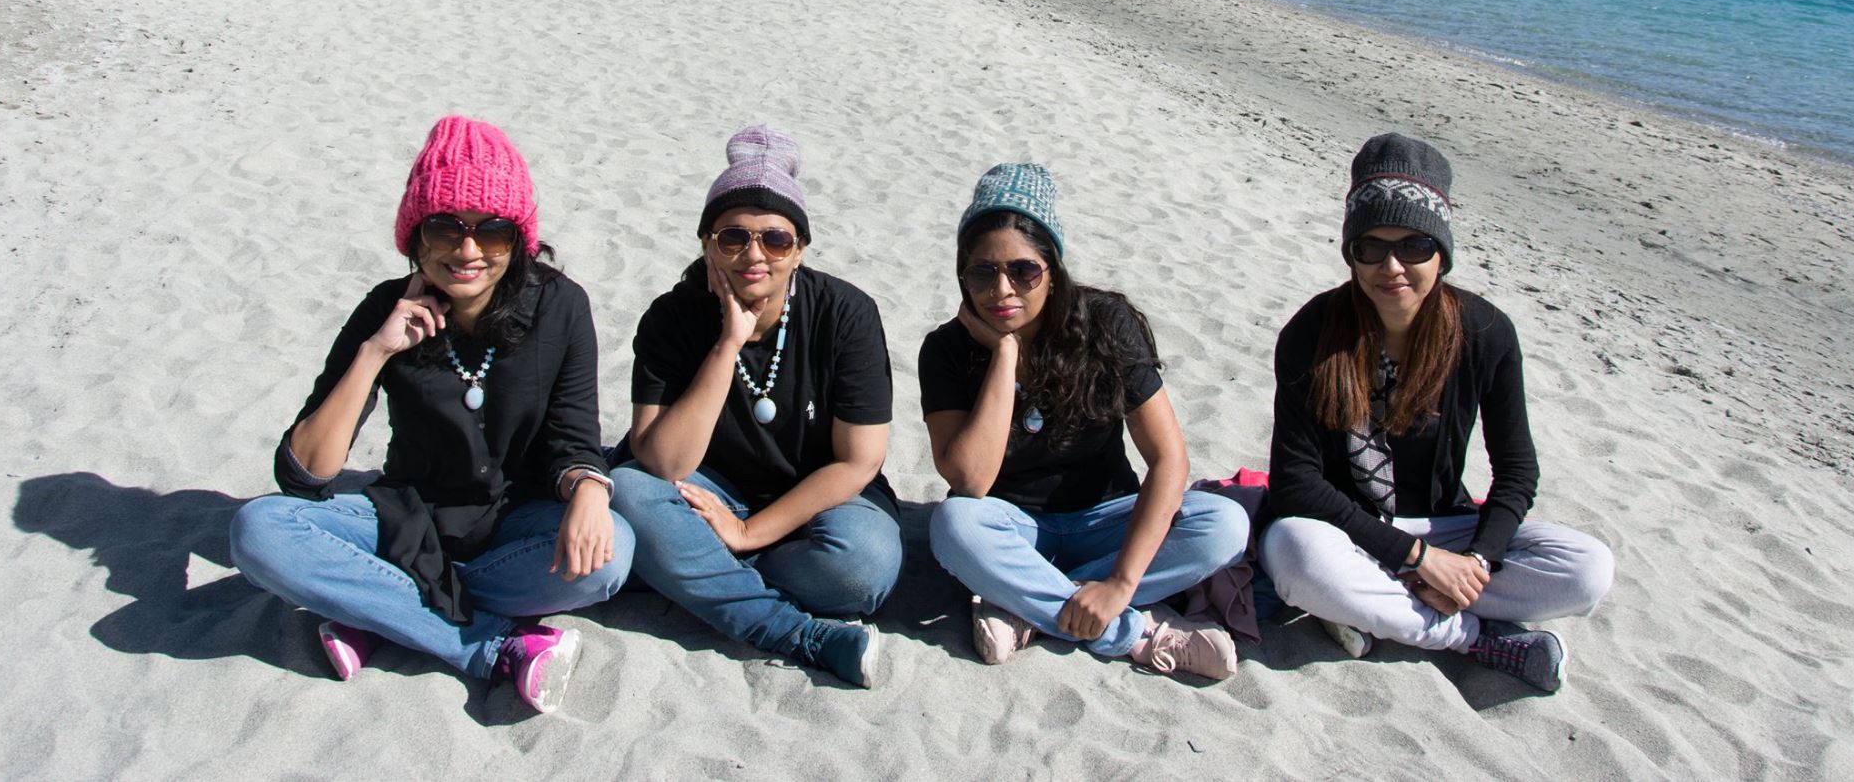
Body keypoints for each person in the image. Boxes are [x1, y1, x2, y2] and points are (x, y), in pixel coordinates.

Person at [229, 116, 631, 714]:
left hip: (516, 519)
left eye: (491, 231)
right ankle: (492, 646)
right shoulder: (384, 308)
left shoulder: (559, 305)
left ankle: (377, 611)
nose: (468, 251)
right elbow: (306, 475)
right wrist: (376, 353)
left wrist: (591, 489)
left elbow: (574, 436)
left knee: (611, 556)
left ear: (517, 238)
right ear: (415, 238)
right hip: (407, 517)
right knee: (257, 532)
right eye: (445, 230)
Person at [1261, 133, 1614, 693]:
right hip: (1348, 532)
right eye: (1370, 247)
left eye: (1414, 246)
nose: (1392, 266)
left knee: (1588, 569)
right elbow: (1296, 483)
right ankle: (1474, 638)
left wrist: (1474, 562)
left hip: (1446, 527)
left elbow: (1518, 472)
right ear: (1350, 252)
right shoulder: (1313, 332)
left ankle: (1382, 609)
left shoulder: (1485, 333)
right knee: (1293, 552)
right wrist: (1418, 559)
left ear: (1442, 253)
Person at [923, 163, 1248, 679]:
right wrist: (1005, 356)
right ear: (963, 274)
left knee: (1224, 523)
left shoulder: (1105, 325)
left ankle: (1028, 603)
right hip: (1013, 526)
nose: (1002, 289)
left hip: (1106, 520)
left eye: (1023, 271)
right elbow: (970, 480)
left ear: (1052, 269)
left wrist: (1119, 583)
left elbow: (1168, 461)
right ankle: (1137, 633)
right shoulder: (946, 350)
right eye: (983, 272)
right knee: (955, 525)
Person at [609, 126, 902, 687]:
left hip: (817, 499)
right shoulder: (673, 317)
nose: (754, 255)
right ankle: (780, 624)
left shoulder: (846, 314)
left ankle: (689, 567)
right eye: (733, 236)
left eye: (776, 240)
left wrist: (748, 534)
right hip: (704, 488)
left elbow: (859, 461)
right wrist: (726, 346)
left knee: (862, 569)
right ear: (706, 242)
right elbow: (663, 464)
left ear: (801, 249)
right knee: (628, 491)